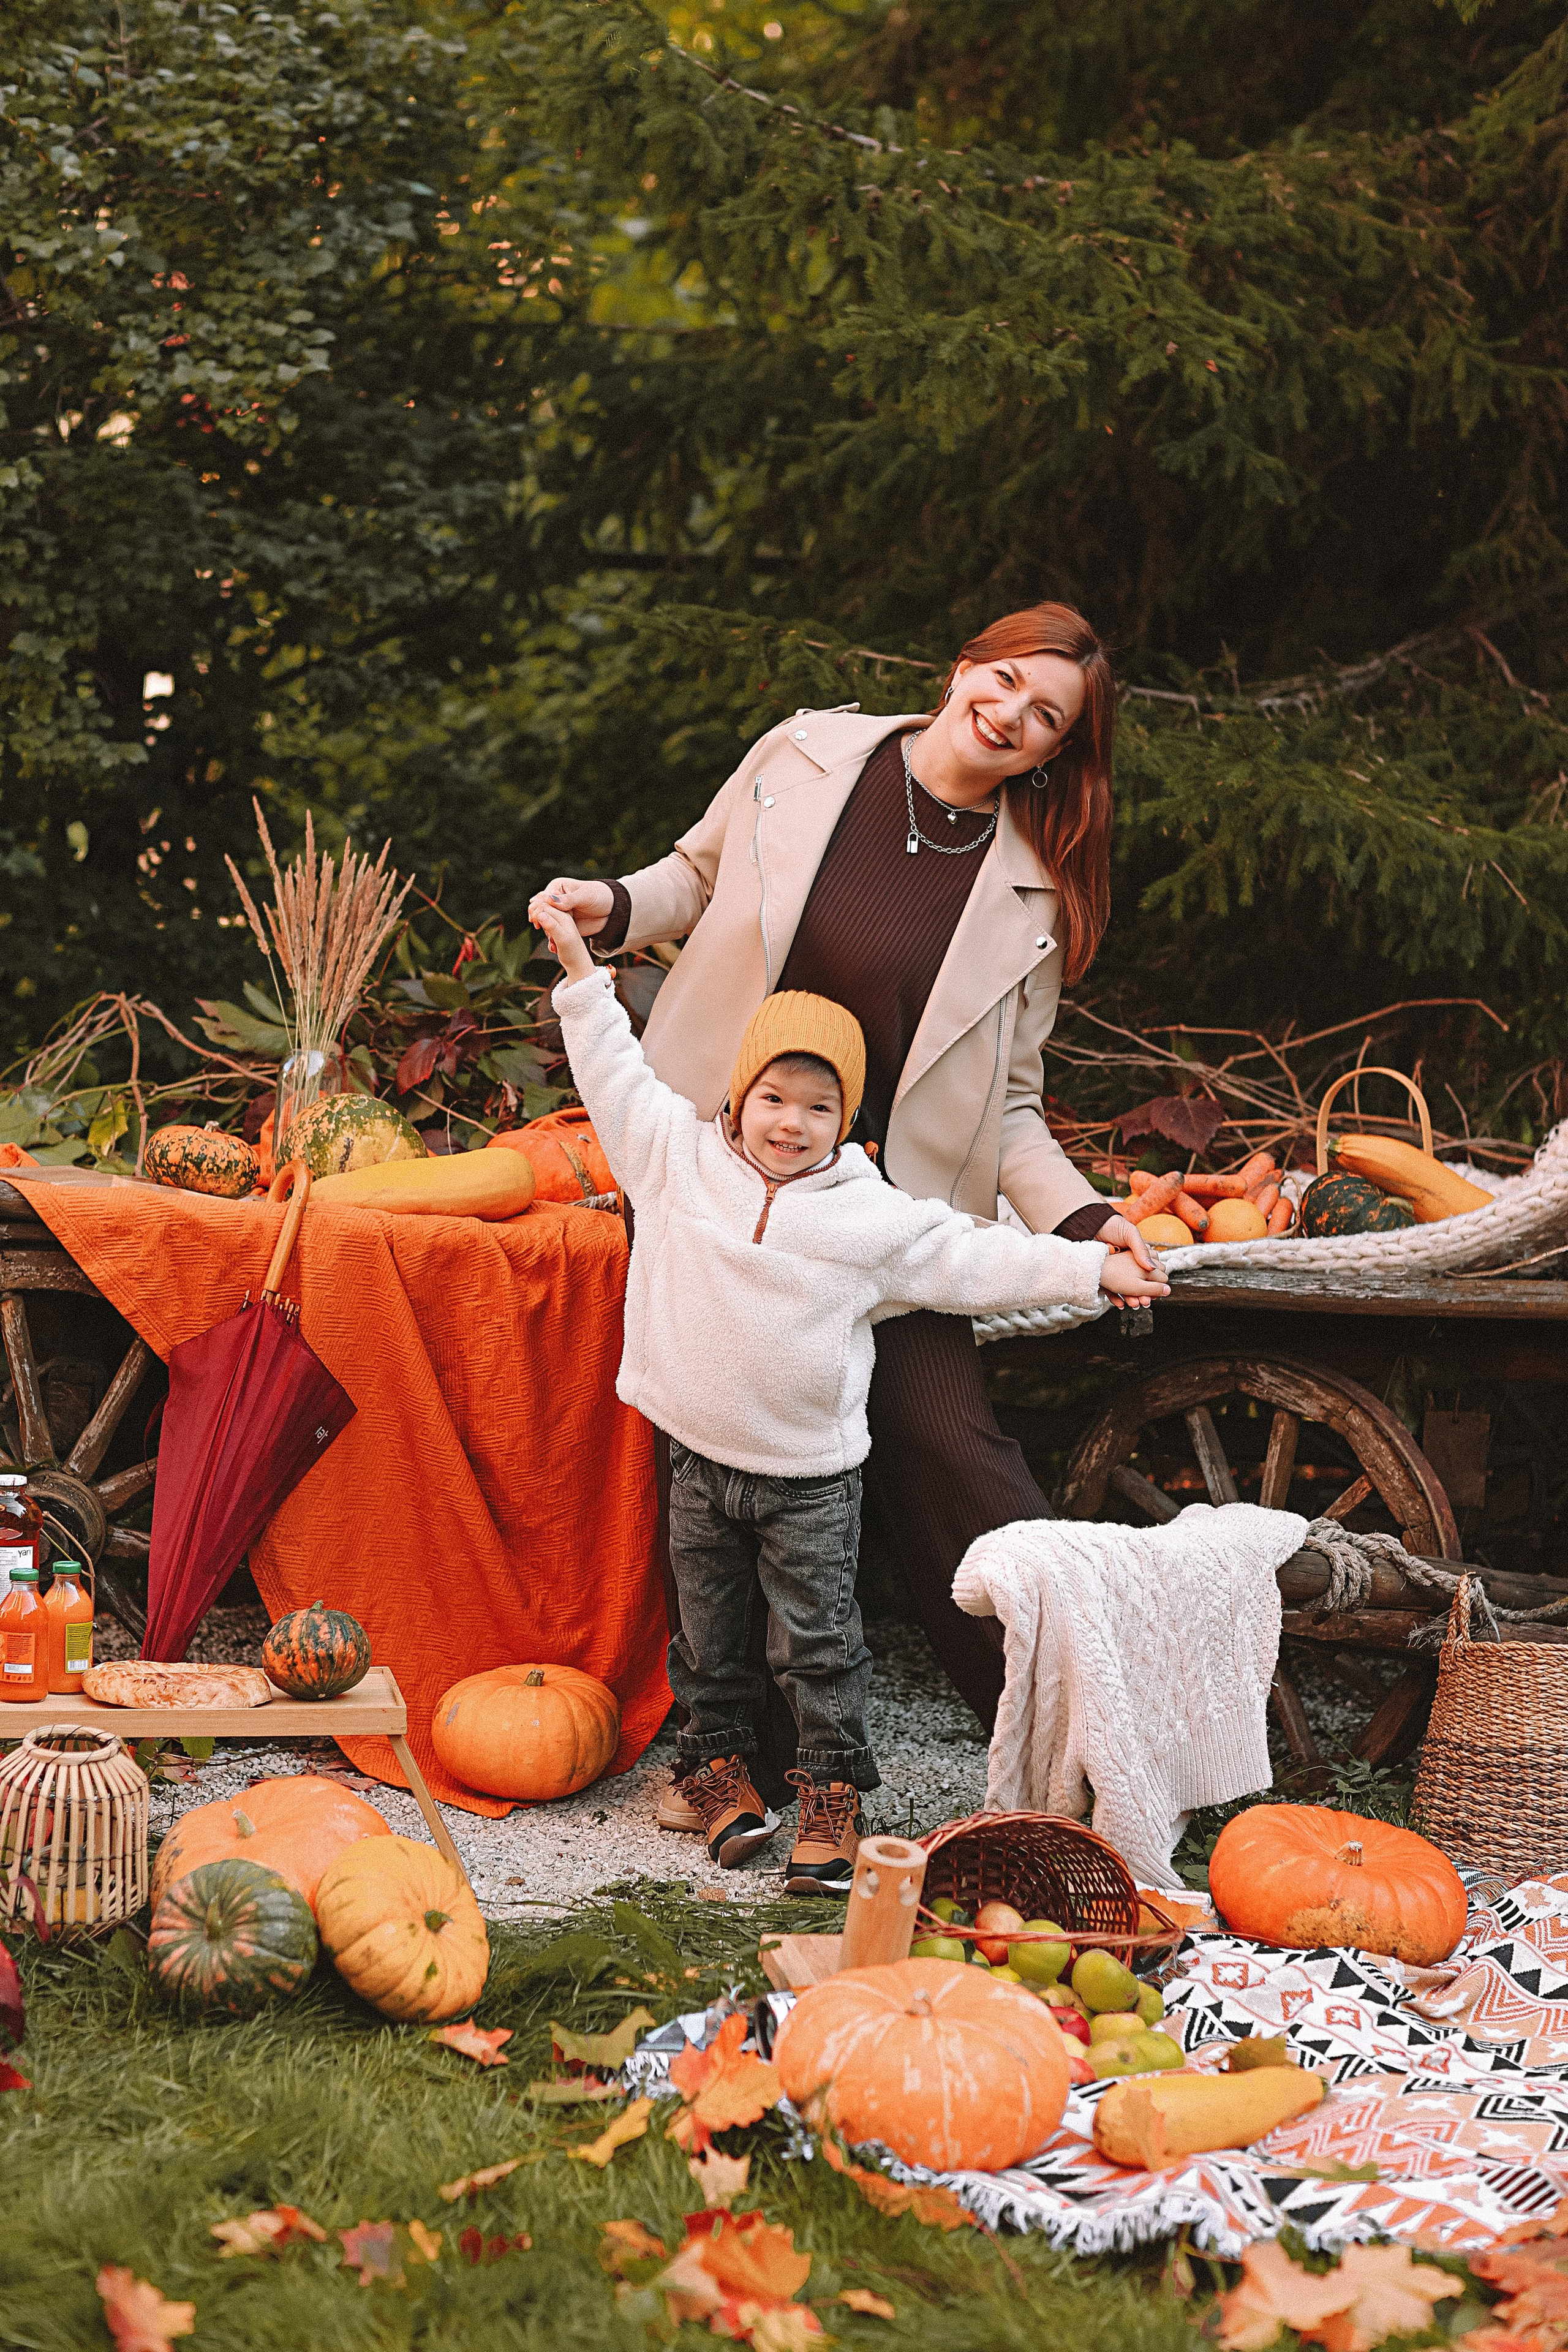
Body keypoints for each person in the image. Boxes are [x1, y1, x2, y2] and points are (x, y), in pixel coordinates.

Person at [528, 598, 1156, 1820]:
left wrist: (1084, 1228)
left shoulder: (1031, 895)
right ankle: (733, 1759)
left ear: (1055, 751)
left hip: (882, 1217)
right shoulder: (807, 754)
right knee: (716, 1463)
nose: (1012, 716)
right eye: (1009, 681)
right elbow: (692, 878)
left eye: (1048, 717)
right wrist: (609, 903)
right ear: (966, 660)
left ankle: (1088, 1760)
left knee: (952, 1449)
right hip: (723, 1176)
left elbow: (1013, 1111)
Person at [537, 899, 1169, 1891]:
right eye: (776, 1098)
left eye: (821, 1108)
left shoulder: (869, 1218)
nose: (793, 1124)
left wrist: (1093, 1271)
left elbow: (977, 1257)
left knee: (820, 1647)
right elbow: (610, 1063)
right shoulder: (671, 1160)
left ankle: (831, 1793)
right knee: (706, 1643)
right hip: (696, 1461)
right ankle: (717, 1774)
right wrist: (579, 964)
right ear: (740, 1095)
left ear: (848, 1119)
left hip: (809, 1481)